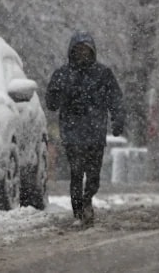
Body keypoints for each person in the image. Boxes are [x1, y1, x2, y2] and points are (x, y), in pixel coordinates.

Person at [45, 33, 124, 227]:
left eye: (85, 50)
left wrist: (118, 120)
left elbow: (115, 99)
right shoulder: (62, 74)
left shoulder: (103, 74)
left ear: (92, 52)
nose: (82, 54)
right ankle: (78, 211)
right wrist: (59, 95)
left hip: (95, 133)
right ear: (72, 52)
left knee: (93, 174)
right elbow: (51, 102)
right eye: (78, 50)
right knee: (76, 172)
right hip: (72, 133)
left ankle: (88, 197)